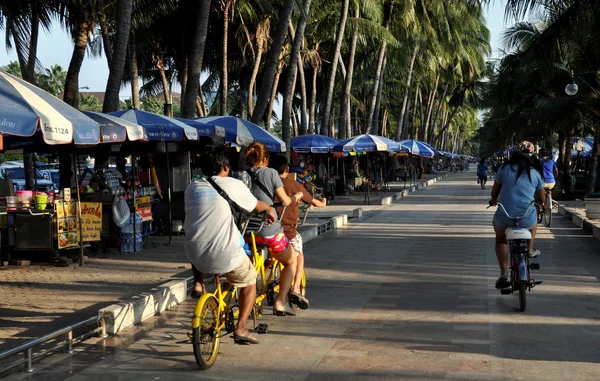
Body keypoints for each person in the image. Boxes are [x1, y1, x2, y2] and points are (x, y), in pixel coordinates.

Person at [184, 146, 275, 344]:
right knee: (250, 281)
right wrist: (268, 209)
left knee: (198, 239)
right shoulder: (233, 184)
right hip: (224, 253)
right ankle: (241, 328)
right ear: (226, 167)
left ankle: (199, 283)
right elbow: (256, 205)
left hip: (194, 253)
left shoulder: (192, 188)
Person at [244, 142, 306, 316]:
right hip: (267, 230)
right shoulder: (271, 173)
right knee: (291, 260)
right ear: (265, 159)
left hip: (246, 231)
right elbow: (285, 201)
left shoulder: (239, 174)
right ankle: (280, 302)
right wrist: (297, 196)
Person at [270, 155, 327, 309]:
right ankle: (296, 289)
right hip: (286, 232)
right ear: (287, 170)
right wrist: (323, 202)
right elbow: (314, 202)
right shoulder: (292, 184)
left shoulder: (265, 184)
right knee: (298, 255)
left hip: (265, 231)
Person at [489, 141, 545, 290]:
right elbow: (541, 198)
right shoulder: (535, 173)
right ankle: (531, 248)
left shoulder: (503, 170)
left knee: (501, 240)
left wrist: (493, 201)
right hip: (526, 217)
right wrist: (540, 205)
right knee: (534, 223)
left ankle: (503, 272)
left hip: (505, 216)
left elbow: (495, 192)